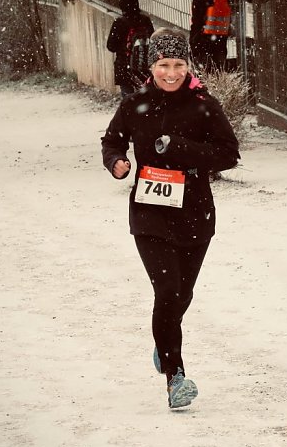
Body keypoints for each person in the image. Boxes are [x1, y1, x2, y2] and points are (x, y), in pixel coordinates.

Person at [100, 27, 240, 409]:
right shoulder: (135, 104)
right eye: (164, 65)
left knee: (183, 294)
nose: (172, 73)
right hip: (149, 213)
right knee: (167, 292)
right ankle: (175, 376)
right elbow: (112, 140)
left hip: (195, 211)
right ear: (152, 66)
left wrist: (180, 149)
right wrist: (117, 162)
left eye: (178, 64)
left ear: (187, 65)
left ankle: (163, 344)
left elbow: (229, 153)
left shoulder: (204, 105)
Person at [106, 0, 155, 96]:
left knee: (128, 99)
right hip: (144, 67)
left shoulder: (119, 22)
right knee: (145, 98)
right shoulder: (145, 20)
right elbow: (152, 41)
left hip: (124, 67)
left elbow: (111, 46)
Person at [190, 0, 231, 72]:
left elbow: (197, 19)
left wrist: (193, 42)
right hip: (221, 37)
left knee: (205, 72)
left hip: (204, 38)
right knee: (219, 70)